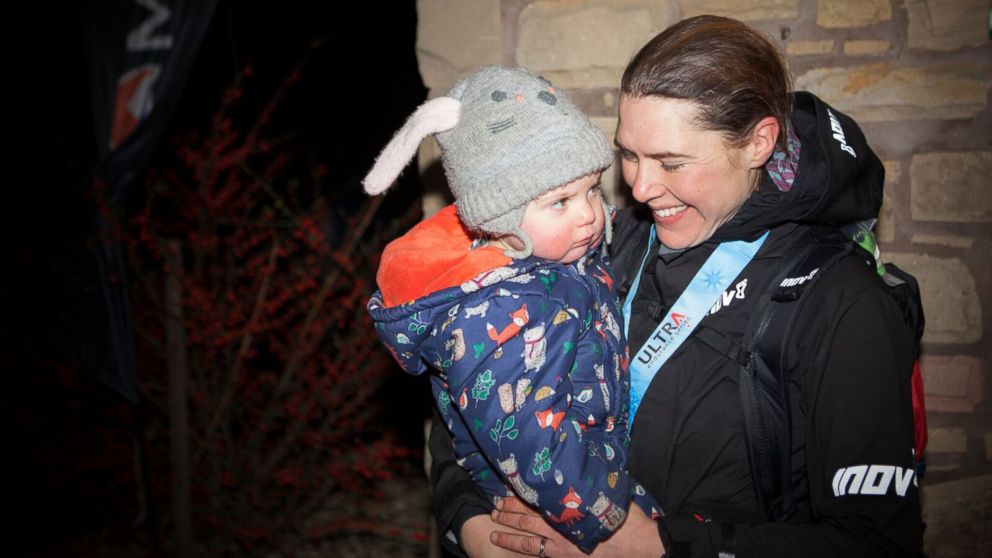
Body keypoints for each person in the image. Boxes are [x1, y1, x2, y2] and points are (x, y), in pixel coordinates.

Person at [429, 16, 924, 558]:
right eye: (630, 155)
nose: (640, 188)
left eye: (672, 162)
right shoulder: (602, 243)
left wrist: (659, 546)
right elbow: (474, 386)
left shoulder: (841, 301)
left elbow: (878, 541)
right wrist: (471, 523)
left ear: (759, 142)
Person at [364, 65, 662, 554]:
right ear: (499, 219)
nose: (589, 212)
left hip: (590, 471)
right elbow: (529, 442)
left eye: (591, 189)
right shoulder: (497, 313)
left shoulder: (558, 257)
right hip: (550, 507)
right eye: (560, 201)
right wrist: (609, 516)